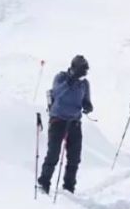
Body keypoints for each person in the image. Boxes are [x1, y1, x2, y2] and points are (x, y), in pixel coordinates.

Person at [37, 55, 93, 195]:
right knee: (53, 154)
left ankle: (69, 188)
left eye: (85, 71)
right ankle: (44, 183)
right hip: (58, 120)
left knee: (74, 157)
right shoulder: (61, 77)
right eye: (82, 70)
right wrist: (71, 79)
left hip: (74, 122)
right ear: (74, 68)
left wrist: (88, 105)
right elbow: (57, 92)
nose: (84, 74)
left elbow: (86, 100)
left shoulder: (84, 84)